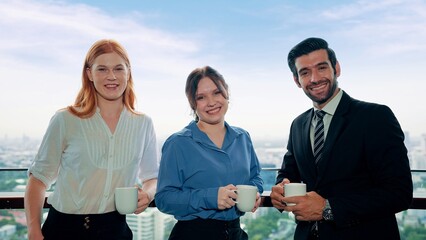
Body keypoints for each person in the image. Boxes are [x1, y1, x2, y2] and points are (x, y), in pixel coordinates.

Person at [270, 37, 413, 240]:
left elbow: (399, 194)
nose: (315, 78)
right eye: (305, 72)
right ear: (297, 80)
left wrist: (328, 208)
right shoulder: (298, 124)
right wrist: (280, 189)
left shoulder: (375, 117)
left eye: (321, 68)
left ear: (336, 68)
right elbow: (288, 172)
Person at [24, 39, 159, 240]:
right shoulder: (65, 119)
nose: (111, 76)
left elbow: (152, 177)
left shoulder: (143, 124)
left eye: (118, 69)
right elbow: (38, 179)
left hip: (116, 231)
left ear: (128, 72)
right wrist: (34, 232)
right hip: (63, 230)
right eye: (102, 69)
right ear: (89, 74)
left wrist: (147, 194)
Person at [155, 66, 263, 240]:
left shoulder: (243, 137)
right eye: (201, 97)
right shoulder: (178, 143)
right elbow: (164, 199)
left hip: (236, 233)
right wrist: (210, 197)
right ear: (193, 103)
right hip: (193, 234)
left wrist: (255, 192)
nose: (211, 102)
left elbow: (255, 177)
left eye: (216, 93)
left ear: (226, 93)